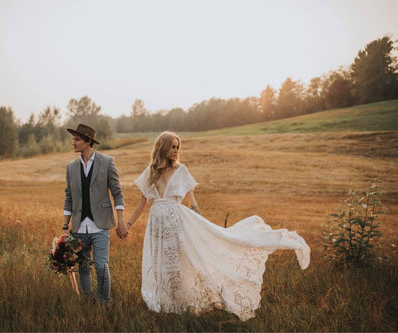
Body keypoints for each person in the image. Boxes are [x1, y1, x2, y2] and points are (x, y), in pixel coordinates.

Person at [125, 131, 310, 320]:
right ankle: (163, 303)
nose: (176, 150)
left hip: (177, 223)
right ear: (163, 147)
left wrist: (203, 224)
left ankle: (180, 305)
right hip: (156, 225)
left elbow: (192, 201)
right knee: (160, 264)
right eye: (173, 146)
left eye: (177, 147)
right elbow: (142, 203)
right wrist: (128, 225)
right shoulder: (150, 171)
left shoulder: (182, 171)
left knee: (178, 265)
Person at [62, 123, 129, 305]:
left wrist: (121, 221)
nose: (73, 142)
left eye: (76, 139)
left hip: (101, 226)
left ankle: (104, 305)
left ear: (88, 141)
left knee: (101, 267)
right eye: (73, 139)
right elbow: (69, 197)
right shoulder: (71, 167)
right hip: (78, 228)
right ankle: (88, 302)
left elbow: (117, 193)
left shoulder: (107, 162)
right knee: (84, 268)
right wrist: (65, 227)